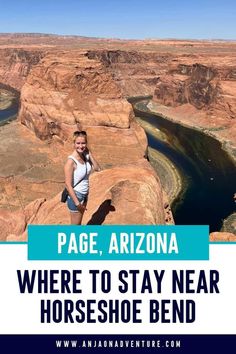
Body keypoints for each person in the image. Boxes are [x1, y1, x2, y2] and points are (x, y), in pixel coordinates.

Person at [64, 130, 101, 225]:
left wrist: (90, 155)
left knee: (78, 224)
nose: (81, 146)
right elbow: (68, 185)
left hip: (84, 195)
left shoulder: (85, 156)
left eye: (83, 143)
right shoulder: (71, 162)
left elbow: (97, 168)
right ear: (74, 144)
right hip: (76, 197)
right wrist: (77, 204)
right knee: (75, 227)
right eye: (78, 143)